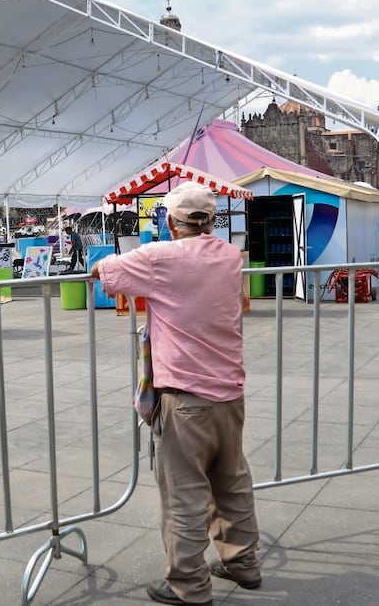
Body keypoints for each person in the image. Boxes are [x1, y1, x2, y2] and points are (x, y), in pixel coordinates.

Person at [91, 182, 261, 606]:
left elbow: (104, 271)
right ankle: (243, 562)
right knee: (232, 481)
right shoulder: (229, 256)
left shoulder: (159, 258)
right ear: (213, 220)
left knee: (184, 494)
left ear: (169, 221)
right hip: (229, 391)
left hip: (184, 397)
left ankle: (189, 584)